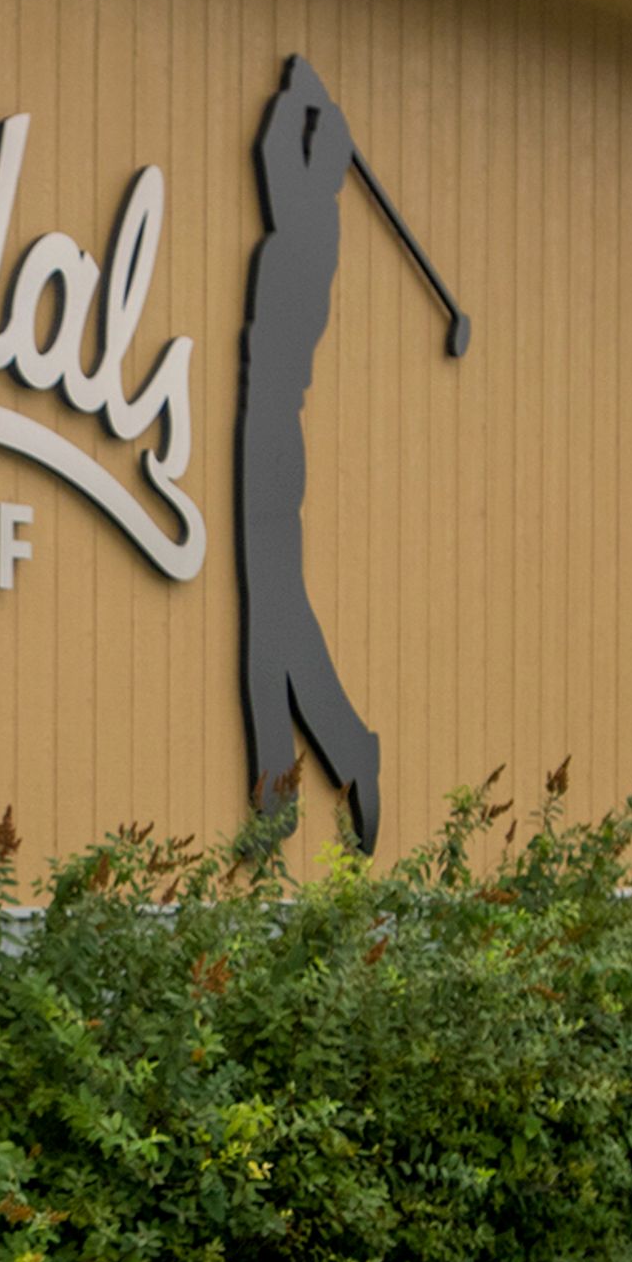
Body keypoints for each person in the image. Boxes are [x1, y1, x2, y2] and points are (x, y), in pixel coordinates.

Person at [237, 54, 384, 851]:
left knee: (270, 620)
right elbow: (276, 152)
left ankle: (280, 792)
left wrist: (306, 99)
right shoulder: (304, 228)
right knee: (276, 619)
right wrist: (308, 98)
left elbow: (278, 152)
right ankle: (329, 760)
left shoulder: (308, 236)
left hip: (270, 437)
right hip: (261, 433)